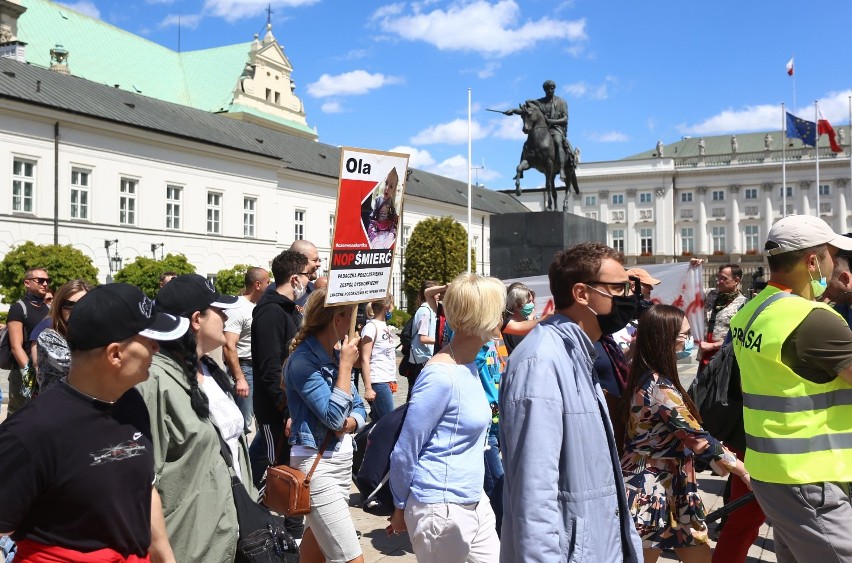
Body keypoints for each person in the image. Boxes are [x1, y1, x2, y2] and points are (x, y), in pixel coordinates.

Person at [0, 283, 188, 561]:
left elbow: (142, 493)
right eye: (148, 339)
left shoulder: (131, 402)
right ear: (114, 354)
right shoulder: (31, 431)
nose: (157, 347)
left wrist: (165, 558)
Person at [499, 242, 642, 563]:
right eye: (618, 287)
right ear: (581, 293)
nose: (628, 297)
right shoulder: (541, 362)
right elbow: (534, 495)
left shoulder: (576, 351)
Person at [729, 214, 852, 563]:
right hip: (811, 478)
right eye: (832, 257)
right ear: (813, 262)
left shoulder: (752, 311)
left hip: (772, 471)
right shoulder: (814, 319)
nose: (835, 267)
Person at [388, 273, 504, 563]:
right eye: (500, 311)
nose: (504, 318)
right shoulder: (441, 375)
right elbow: (406, 448)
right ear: (487, 318)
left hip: (474, 502)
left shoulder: (469, 366)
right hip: (441, 508)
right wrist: (400, 505)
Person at [621, 305, 749, 563]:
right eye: (684, 334)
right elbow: (698, 438)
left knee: (699, 556)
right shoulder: (659, 388)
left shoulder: (650, 378)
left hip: (673, 487)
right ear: (665, 338)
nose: (689, 340)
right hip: (651, 490)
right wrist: (744, 472)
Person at [136, 274, 250, 563]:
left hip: (231, 531)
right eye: (219, 310)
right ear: (197, 319)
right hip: (190, 544)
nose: (225, 317)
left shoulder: (210, 369)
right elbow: (143, 481)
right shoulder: (154, 381)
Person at [284, 288, 367, 563]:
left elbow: (359, 409)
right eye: (351, 315)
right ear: (337, 318)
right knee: (350, 558)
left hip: (341, 463)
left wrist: (351, 423)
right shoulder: (303, 361)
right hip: (317, 468)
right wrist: (345, 368)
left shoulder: (335, 354)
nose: (356, 323)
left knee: (315, 553)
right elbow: (332, 417)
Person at [250, 250, 308, 489]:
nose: (308, 282)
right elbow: (270, 367)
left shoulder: (288, 309)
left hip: (288, 409)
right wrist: (286, 408)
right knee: (279, 475)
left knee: (288, 474)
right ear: (294, 279)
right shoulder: (271, 312)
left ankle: (290, 526)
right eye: (306, 276)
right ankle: (254, 514)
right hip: (275, 412)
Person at [223, 266, 270, 431]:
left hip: (258, 369)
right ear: (257, 284)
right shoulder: (238, 308)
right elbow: (229, 345)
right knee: (243, 423)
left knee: (262, 420)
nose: (269, 286)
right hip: (245, 369)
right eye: (267, 282)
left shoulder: (259, 306)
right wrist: (240, 378)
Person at [504, 80, 571, 182]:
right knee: (527, 144)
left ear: (554, 89)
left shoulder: (561, 102)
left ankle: (561, 169)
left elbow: (565, 119)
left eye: (552, 88)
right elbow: (526, 111)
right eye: (548, 88)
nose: (550, 90)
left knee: (558, 141)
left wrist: (552, 121)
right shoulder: (539, 103)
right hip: (542, 129)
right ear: (544, 89)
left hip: (556, 128)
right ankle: (521, 171)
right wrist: (513, 110)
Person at [35, 279, 91, 394]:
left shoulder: (96, 334)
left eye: (83, 304)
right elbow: (76, 367)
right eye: (69, 305)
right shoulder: (48, 337)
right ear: (59, 307)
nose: (76, 310)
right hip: (58, 407)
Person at [6, 267, 51, 412]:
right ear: (27, 283)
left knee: (42, 414)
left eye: (47, 281)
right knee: (19, 415)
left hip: (46, 371)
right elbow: (15, 347)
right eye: (40, 280)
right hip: (24, 372)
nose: (45, 284)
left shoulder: (49, 309)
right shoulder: (18, 309)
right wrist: (31, 374)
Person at [698, 264, 746, 370]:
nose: (718, 281)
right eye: (718, 277)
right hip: (705, 358)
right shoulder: (710, 294)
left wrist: (713, 346)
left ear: (736, 280)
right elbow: (688, 290)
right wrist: (692, 268)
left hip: (725, 360)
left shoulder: (743, 304)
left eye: (723, 278)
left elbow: (740, 337)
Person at [359, 294, 397, 422]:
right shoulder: (371, 327)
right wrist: (368, 388)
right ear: (387, 306)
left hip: (387, 379)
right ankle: (361, 441)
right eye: (392, 305)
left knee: (378, 422)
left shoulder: (384, 326)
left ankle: (361, 442)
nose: (394, 308)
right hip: (378, 380)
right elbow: (365, 358)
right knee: (389, 422)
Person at [406, 280, 438, 401]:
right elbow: (423, 337)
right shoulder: (424, 311)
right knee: (419, 392)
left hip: (425, 355)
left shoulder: (430, 310)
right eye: (436, 291)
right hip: (422, 357)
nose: (439, 294)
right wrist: (439, 341)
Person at [501, 282, 548, 354]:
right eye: (529, 302)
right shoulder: (509, 326)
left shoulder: (525, 320)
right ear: (517, 304)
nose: (532, 304)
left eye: (533, 301)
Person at [367, 167, 400, 249]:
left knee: (393, 226)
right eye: (386, 183)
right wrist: (372, 218)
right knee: (371, 227)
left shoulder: (391, 201)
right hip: (378, 223)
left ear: (394, 190)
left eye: (391, 186)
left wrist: (395, 216)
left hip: (387, 225)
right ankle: (375, 242)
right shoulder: (378, 199)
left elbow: (393, 212)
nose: (387, 188)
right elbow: (374, 212)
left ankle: (390, 238)